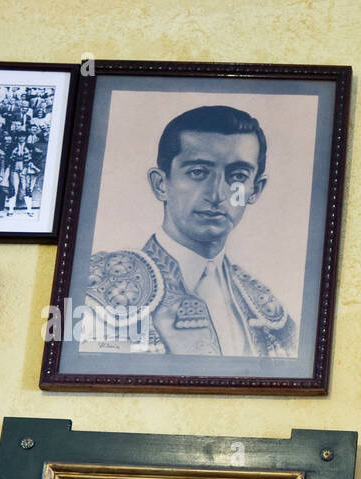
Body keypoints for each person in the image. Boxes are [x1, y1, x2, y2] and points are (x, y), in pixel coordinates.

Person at [82, 105, 297, 357]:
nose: (217, 194)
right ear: (161, 184)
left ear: (255, 190)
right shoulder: (98, 287)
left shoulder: (268, 311)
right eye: (198, 172)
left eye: (237, 176)